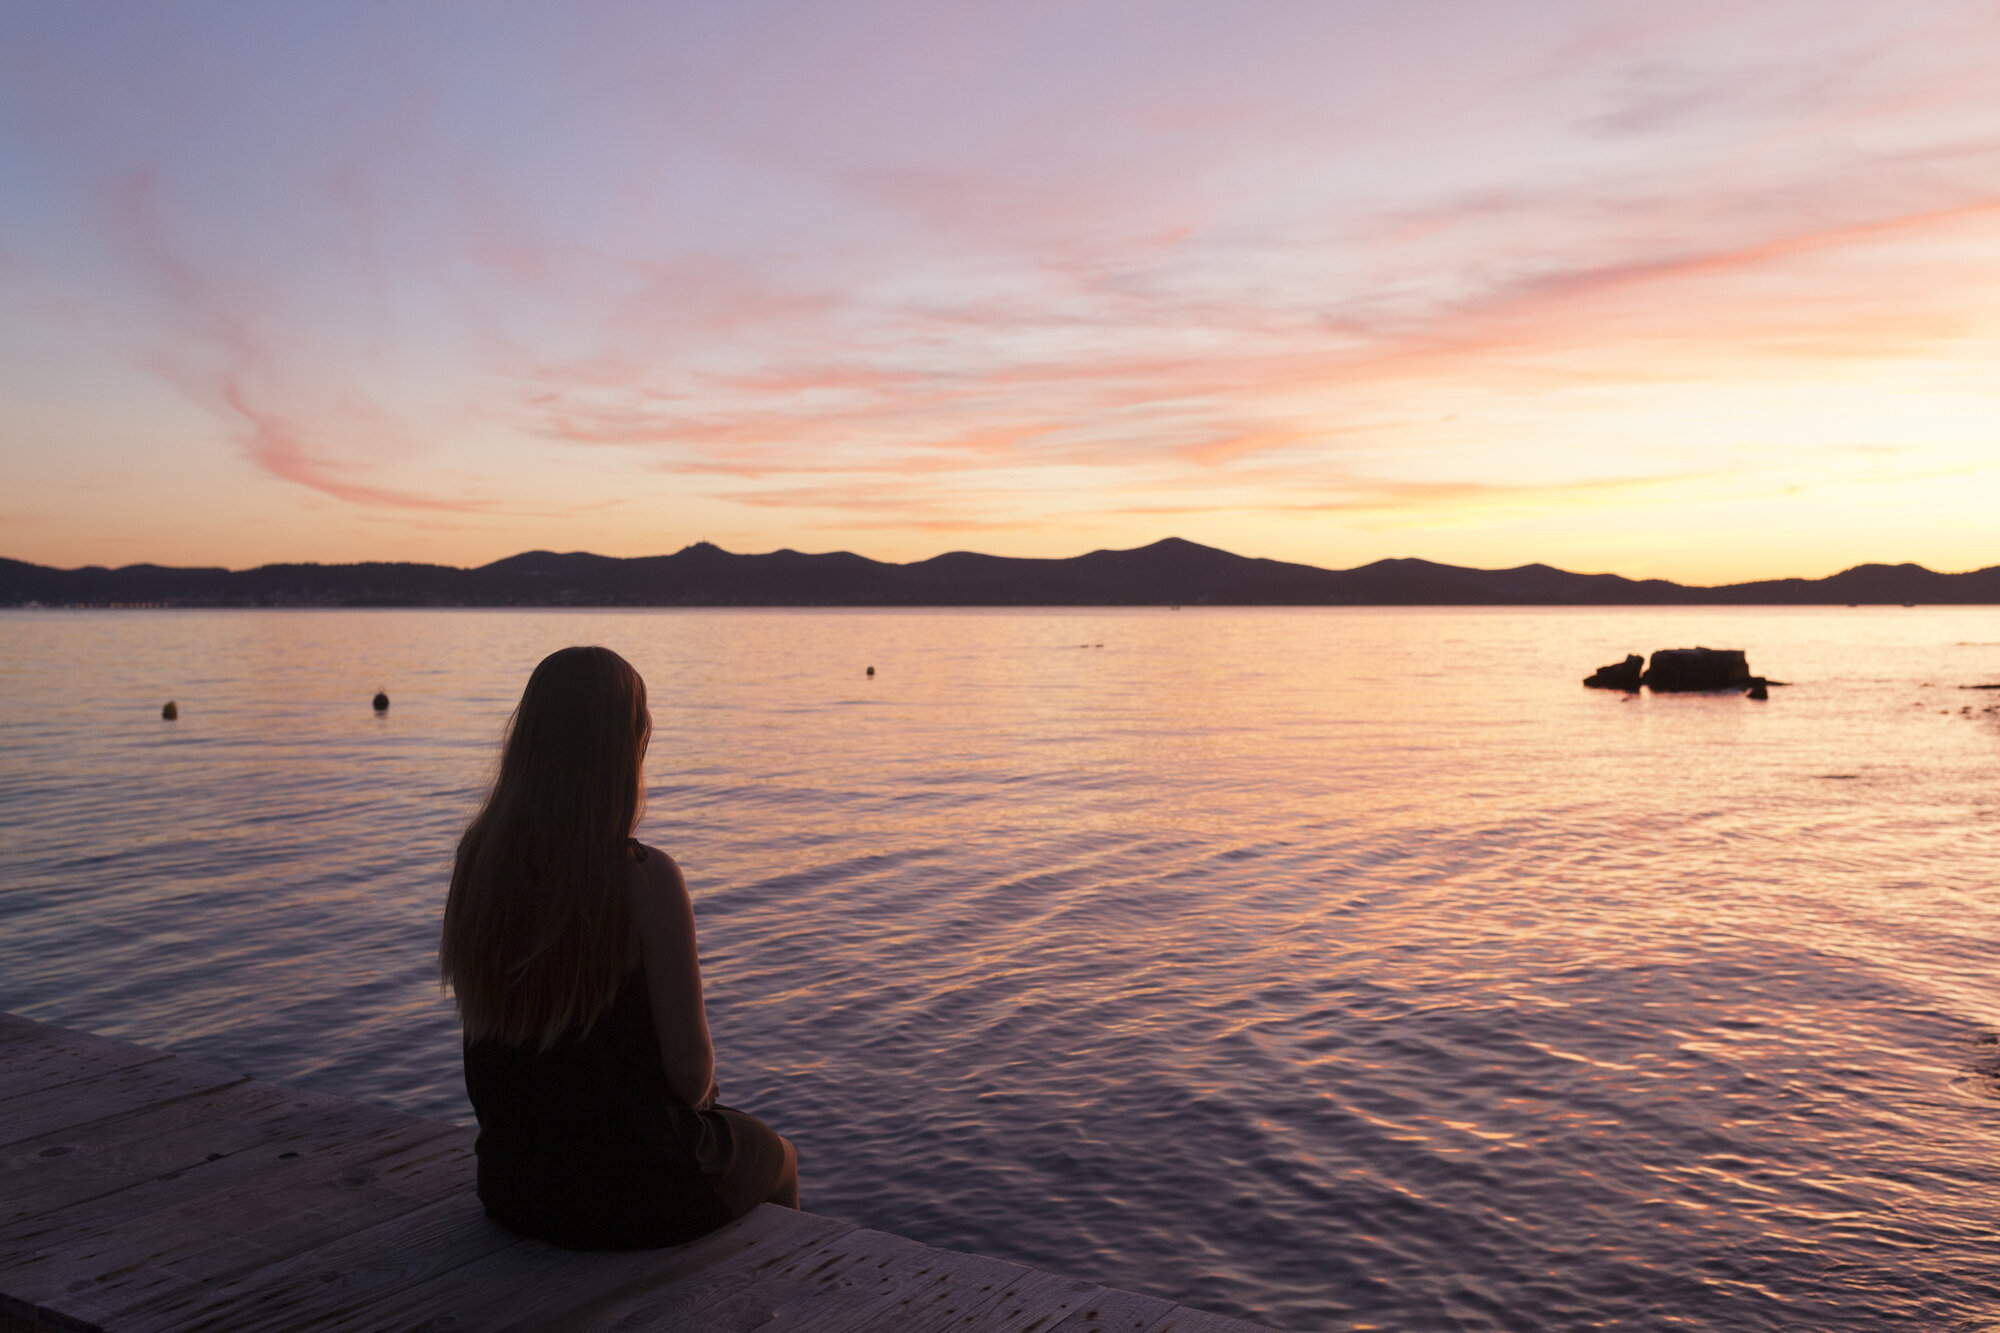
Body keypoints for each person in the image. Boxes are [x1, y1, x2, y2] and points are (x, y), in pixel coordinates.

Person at [439, 645, 798, 1249]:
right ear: (627, 749)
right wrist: (702, 1093)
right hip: (634, 1192)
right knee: (778, 1155)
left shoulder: (479, 863)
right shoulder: (646, 877)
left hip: (512, 1185)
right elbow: (688, 1075)